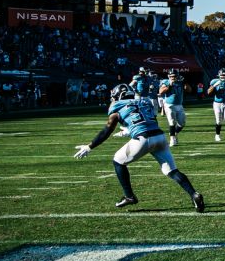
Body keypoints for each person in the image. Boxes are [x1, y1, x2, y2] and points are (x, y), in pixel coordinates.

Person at [74, 84, 205, 212]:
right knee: (171, 171)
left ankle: (129, 196)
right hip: (159, 136)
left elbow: (106, 131)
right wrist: (128, 129)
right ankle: (194, 194)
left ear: (119, 95)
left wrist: (90, 146)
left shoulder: (116, 106)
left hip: (142, 139)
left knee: (118, 161)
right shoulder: (144, 101)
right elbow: (149, 120)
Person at [158, 70, 186, 147]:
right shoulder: (166, 82)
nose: (173, 78)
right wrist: (169, 85)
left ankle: (174, 133)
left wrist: (185, 82)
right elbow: (161, 92)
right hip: (169, 104)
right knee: (172, 122)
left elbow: (189, 89)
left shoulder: (180, 82)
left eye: (174, 76)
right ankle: (172, 139)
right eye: (171, 76)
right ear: (169, 76)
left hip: (179, 105)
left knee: (182, 123)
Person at [207, 68, 225, 142]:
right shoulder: (214, 81)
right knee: (219, 121)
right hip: (217, 103)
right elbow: (208, 93)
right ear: (219, 75)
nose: (224, 77)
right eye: (222, 75)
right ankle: (217, 135)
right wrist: (214, 86)